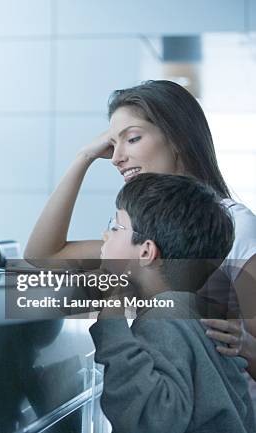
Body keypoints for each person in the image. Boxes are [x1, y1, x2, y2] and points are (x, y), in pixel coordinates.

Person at [24, 80, 256, 380]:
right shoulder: (131, 228)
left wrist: (245, 345)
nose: (117, 157)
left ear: (179, 139)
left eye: (131, 139)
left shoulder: (237, 226)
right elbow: (43, 256)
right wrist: (84, 158)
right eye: (112, 143)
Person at [91, 172, 254, 433]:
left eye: (115, 227)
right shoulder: (195, 312)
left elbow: (151, 420)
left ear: (145, 251)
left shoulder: (164, 317)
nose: (105, 235)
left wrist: (111, 320)